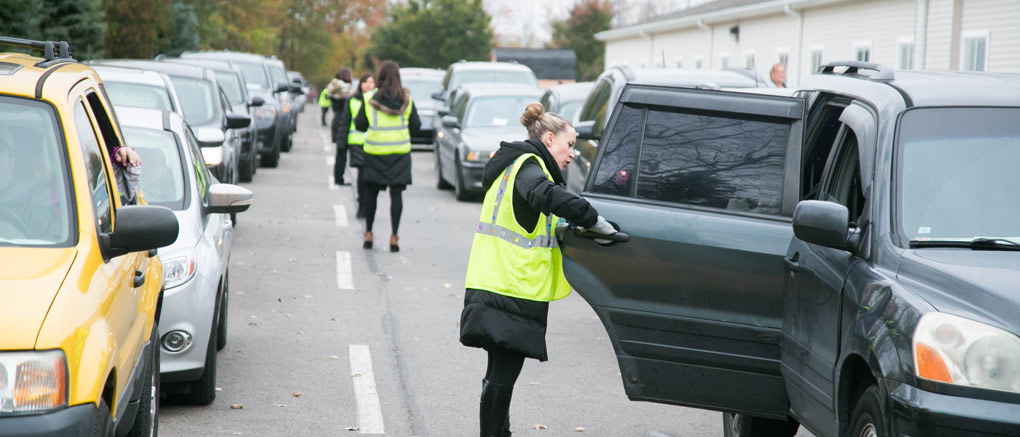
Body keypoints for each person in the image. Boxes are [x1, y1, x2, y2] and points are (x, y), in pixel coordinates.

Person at [459, 103, 617, 437]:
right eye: (569, 144)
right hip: (511, 288)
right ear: (548, 138)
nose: (572, 153)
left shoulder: (512, 165)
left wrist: (564, 228)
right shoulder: (529, 167)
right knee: (502, 375)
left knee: (498, 373)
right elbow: (544, 195)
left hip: (496, 282)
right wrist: (594, 220)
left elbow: (534, 214)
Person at [353, 61, 419, 252]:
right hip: (400, 153)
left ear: (380, 76)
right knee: (396, 194)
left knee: (371, 194)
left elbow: (359, 125)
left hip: (375, 153)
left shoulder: (369, 99)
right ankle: (394, 237)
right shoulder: (407, 98)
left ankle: (368, 233)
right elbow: (416, 124)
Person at [336, 72, 376, 218]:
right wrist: (342, 142)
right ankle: (361, 203)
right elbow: (345, 122)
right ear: (360, 84)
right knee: (362, 175)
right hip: (357, 142)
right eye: (365, 82)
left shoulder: (378, 100)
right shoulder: (353, 100)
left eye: (371, 82)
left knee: (371, 176)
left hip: (374, 143)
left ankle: (369, 204)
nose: (368, 85)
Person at [329, 68, 355, 184]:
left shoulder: (332, 88)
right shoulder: (347, 90)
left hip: (336, 120)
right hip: (343, 121)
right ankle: (339, 178)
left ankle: (338, 177)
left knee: (340, 152)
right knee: (342, 152)